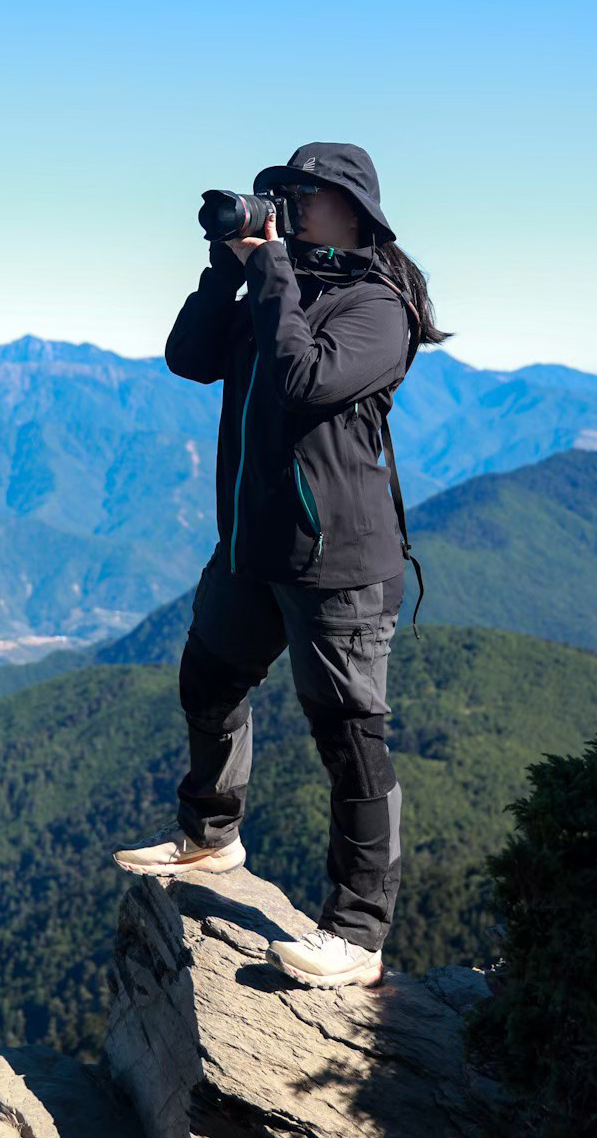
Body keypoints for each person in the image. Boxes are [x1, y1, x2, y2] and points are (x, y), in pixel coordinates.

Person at [111, 141, 452, 989]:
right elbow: (188, 357)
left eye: (304, 195)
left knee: (349, 739)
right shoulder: (278, 287)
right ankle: (210, 838)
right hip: (254, 545)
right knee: (210, 679)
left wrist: (270, 278)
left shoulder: (377, 308)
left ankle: (358, 932)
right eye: (279, 196)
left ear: (354, 210)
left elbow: (302, 379)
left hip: (338, 562)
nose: (287, 208)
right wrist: (225, 272)